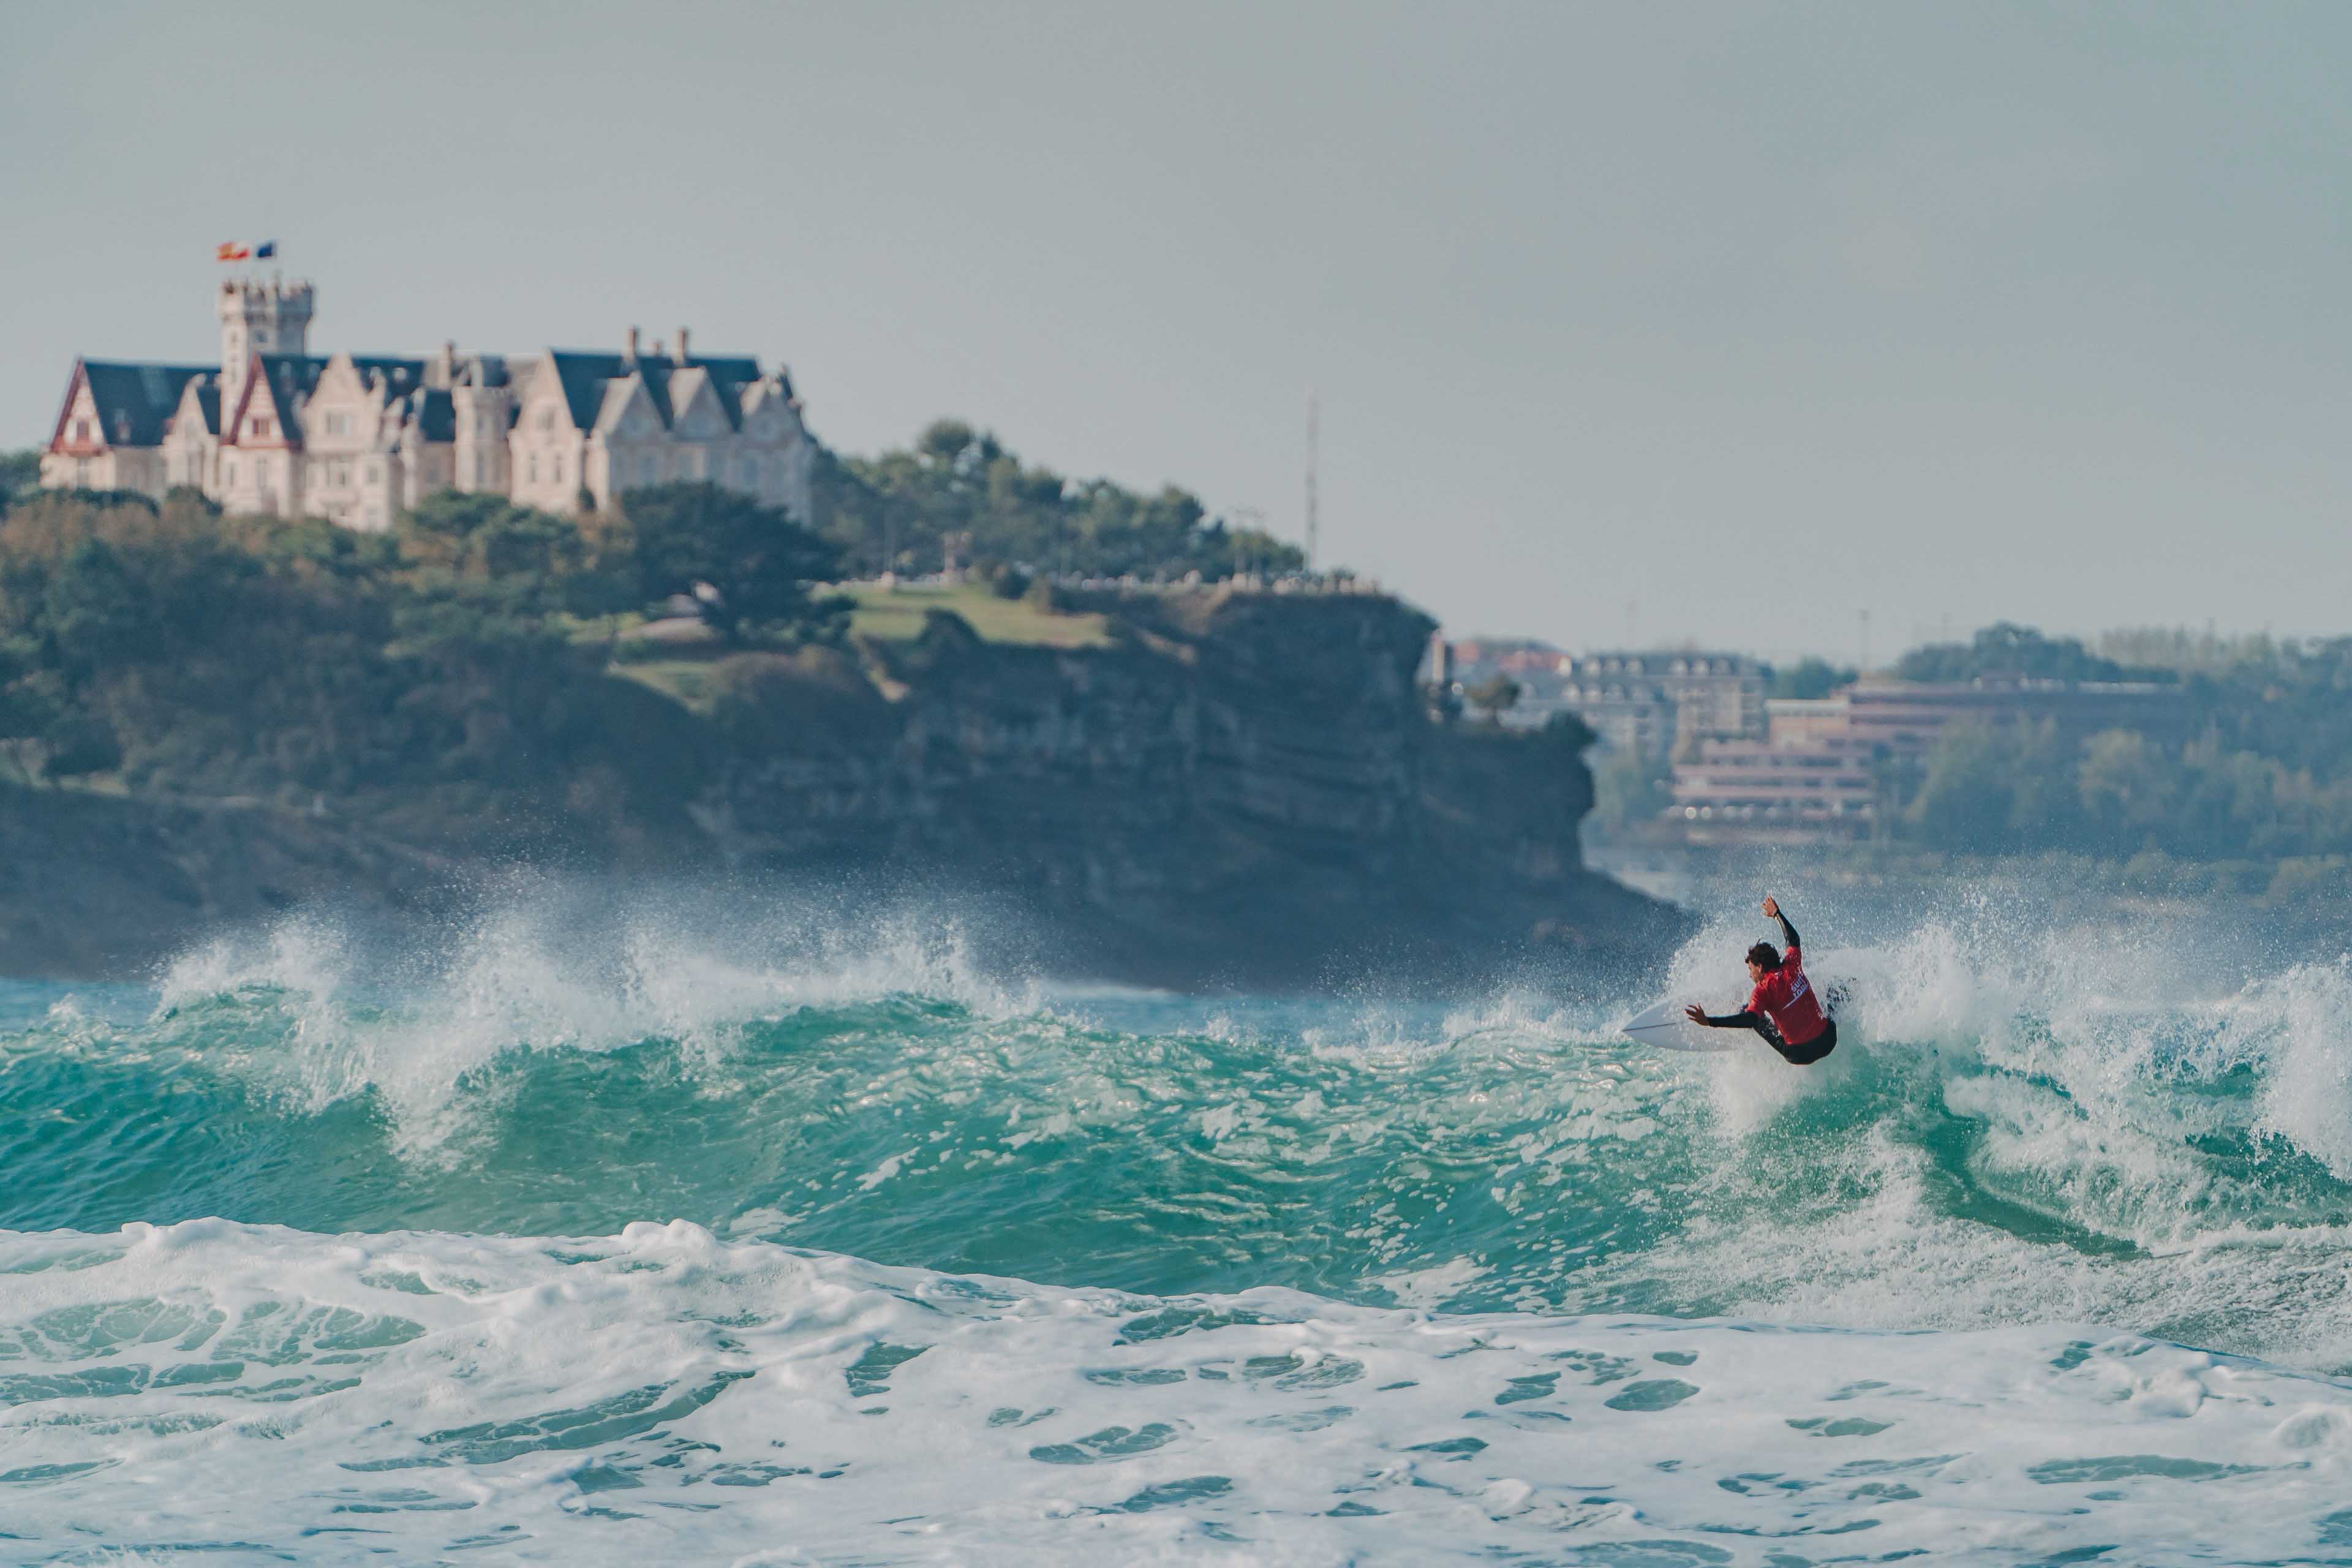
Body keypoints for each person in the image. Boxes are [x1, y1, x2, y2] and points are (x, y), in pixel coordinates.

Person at [1683, 896, 1837, 1065]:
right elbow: (1793, 939)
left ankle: (1744, 1009)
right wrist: (1777, 914)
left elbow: (1750, 1020)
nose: (1750, 976)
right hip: (1828, 1041)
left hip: (1799, 1054)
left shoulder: (1762, 991)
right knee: (1833, 994)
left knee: (1752, 1015)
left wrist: (1710, 1022)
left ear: (1760, 968)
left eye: (1751, 969)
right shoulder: (1792, 964)